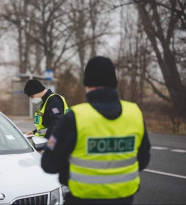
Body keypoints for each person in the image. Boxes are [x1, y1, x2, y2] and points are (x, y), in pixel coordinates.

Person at [41, 56, 151, 205]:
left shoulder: (75, 117)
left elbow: (49, 164)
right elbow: (143, 160)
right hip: (124, 199)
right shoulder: (134, 113)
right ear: (114, 82)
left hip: (82, 199)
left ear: (88, 83)